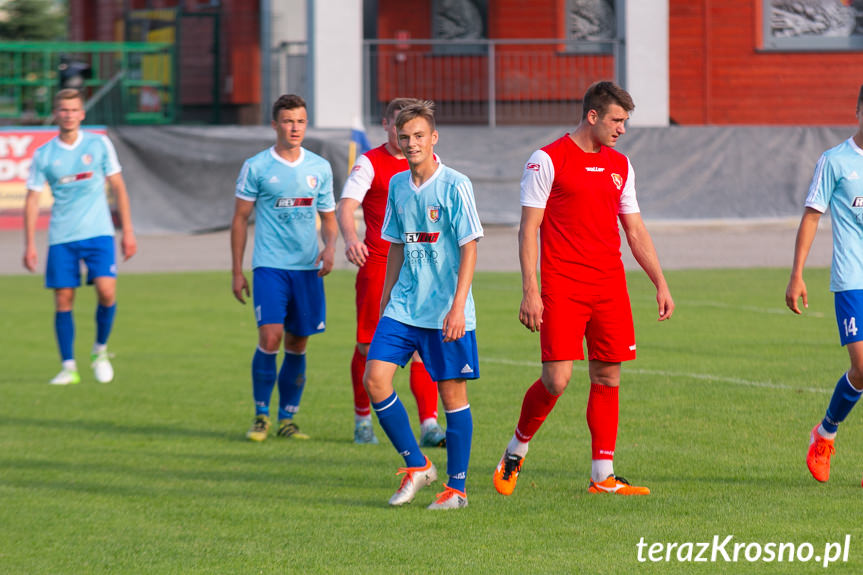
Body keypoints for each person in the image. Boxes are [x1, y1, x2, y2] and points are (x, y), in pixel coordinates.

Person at [492, 81, 674, 497]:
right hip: (563, 286)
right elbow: (528, 229)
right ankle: (515, 451)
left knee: (608, 376)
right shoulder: (546, 160)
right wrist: (530, 291)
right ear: (592, 116)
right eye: (616, 120)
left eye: (625, 122)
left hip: (609, 285)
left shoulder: (621, 165)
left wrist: (659, 281)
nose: (622, 129)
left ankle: (602, 476)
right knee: (557, 380)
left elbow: (635, 229)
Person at [363, 100, 483, 509]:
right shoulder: (397, 185)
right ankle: (416, 465)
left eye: (419, 136)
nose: (411, 143)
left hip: (446, 311)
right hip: (403, 307)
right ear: (396, 139)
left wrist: (457, 307)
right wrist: (385, 302)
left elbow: (470, 247)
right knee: (375, 379)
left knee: (452, 398)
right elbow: (396, 246)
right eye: (404, 137)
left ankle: (457, 489)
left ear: (433, 138)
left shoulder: (455, 185)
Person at [337, 97, 446, 446]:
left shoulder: (434, 163)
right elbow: (347, 205)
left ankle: (429, 424)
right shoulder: (370, 163)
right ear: (387, 126)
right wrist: (352, 238)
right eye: (400, 128)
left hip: (421, 268)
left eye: (415, 131)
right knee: (369, 347)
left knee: (421, 345)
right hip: (380, 266)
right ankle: (362, 419)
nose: (408, 138)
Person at [231, 94, 337, 442]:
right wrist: (236, 270)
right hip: (270, 267)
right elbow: (240, 219)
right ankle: (261, 415)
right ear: (275, 125)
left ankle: (287, 419)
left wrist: (331, 247)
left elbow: (329, 217)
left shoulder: (319, 168)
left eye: (301, 121)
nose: (295, 128)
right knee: (270, 336)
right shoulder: (257, 166)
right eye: (288, 121)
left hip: (307, 270)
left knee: (298, 343)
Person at [23, 88, 137, 385]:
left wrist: (128, 231)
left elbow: (119, 187)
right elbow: (33, 200)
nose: (69, 115)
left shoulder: (99, 144)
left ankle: (99, 350)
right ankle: (68, 366)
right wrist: (29, 244)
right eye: (63, 110)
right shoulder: (44, 155)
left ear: (82, 114)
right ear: (56, 113)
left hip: (99, 233)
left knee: (107, 291)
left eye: (74, 110)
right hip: (62, 237)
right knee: (63, 299)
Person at [788, 85, 863, 484]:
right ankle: (825, 432)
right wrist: (797, 273)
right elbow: (813, 216)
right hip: (852, 278)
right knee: (862, 366)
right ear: (858, 111)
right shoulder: (835, 161)